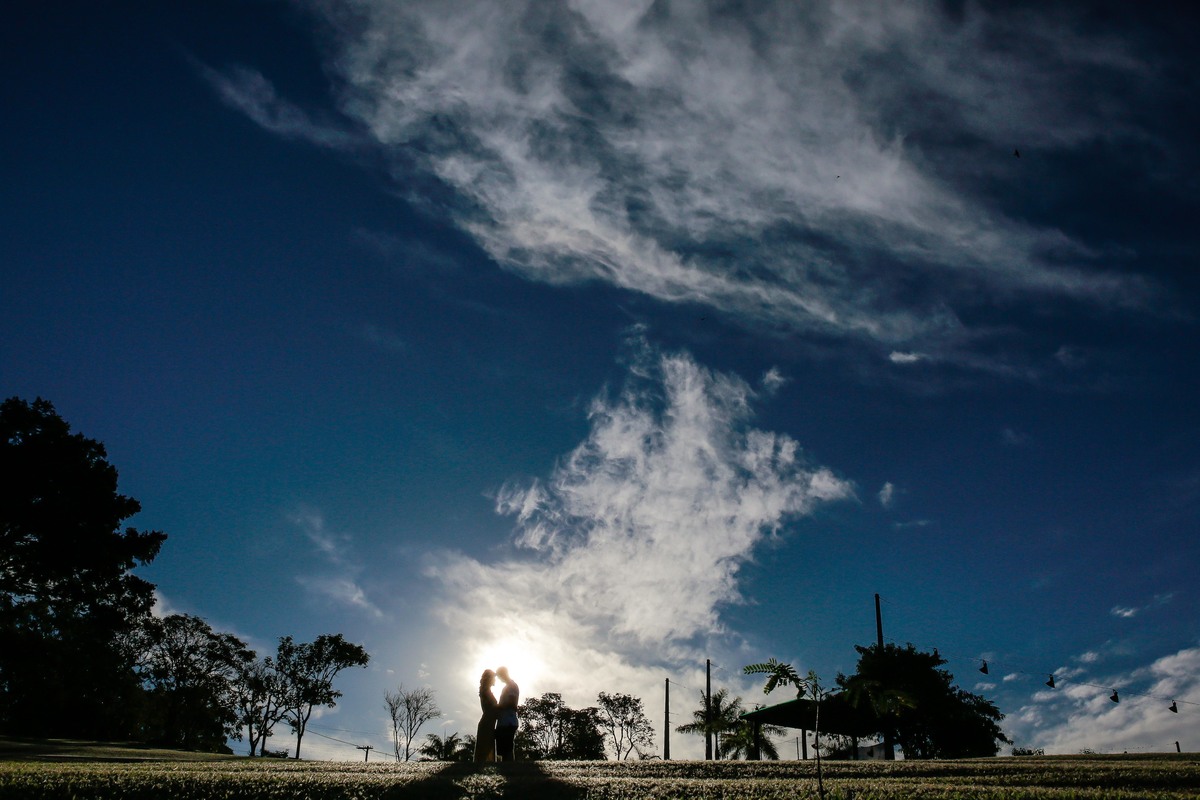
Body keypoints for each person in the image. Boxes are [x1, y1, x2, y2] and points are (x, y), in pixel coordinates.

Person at [494, 666, 519, 761]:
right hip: (504, 720)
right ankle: (507, 767)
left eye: (499, 676)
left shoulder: (512, 686)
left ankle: (509, 768)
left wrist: (498, 707)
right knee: (504, 748)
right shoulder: (507, 686)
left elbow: (512, 703)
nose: (499, 679)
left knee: (507, 748)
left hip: (508, 721)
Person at [474, 669, 497, 762]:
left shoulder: (486, 690)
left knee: (487, 748)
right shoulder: (486, 691)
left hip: (489, 722)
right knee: (484, 750)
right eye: (493, 678)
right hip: (487, 722)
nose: (495, 680)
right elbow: (492, 707)